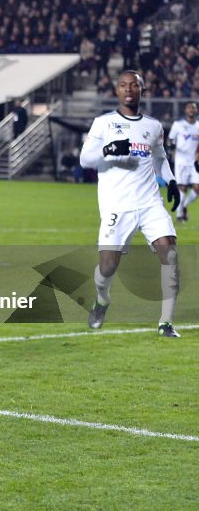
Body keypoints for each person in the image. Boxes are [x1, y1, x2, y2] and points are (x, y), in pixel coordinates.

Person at [79, 70, 182, 338]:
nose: (129, 89)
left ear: (142, 90)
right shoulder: (103, 123)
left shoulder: (153, 126)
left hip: (150, 203)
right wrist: (108, 150)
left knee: (169, 253)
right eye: (124, 85)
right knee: (107, 268)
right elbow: (85, 159)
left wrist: (170, 181)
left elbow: (160, 158)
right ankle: (102, 300)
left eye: (134, 85)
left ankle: (166, 323)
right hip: (117, 206)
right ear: (116, 90)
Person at [167, 102, 199, 222]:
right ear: (185, 110)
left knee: (197, 188)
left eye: (194, 108)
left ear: (196, 111)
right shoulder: (178, 125)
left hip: (195, 161)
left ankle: (184, 205)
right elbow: (170, 139)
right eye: (189, 107)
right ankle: (180, 215)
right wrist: (171, 149)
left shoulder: (198, 126)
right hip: (181, 161)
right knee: (182, 188)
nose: (192, 109)